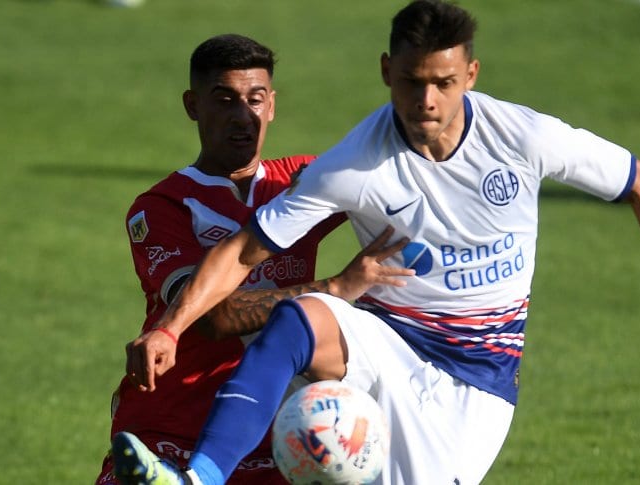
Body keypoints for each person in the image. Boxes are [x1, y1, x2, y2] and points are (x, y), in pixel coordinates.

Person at [112, 1, 640, 484]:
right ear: (386, 71)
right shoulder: (348, 168)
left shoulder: (524, 137)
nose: (425, 100)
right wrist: (170, 328)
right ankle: (200, 477)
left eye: (443, 82)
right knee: (302, 318)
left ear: (470, 75)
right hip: (385, 345)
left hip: (476, 382)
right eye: (409, 81)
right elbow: (244, 254)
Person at [96, 34, 411, 485]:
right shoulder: (163, 207)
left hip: (271, 437)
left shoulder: (299, 181)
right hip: (169, 429)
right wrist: (336, 290)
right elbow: (214, 317)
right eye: (224, 100)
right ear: (192, 105)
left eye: (255, 99)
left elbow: (401, 181)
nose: (243, 116)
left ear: (272, 105)